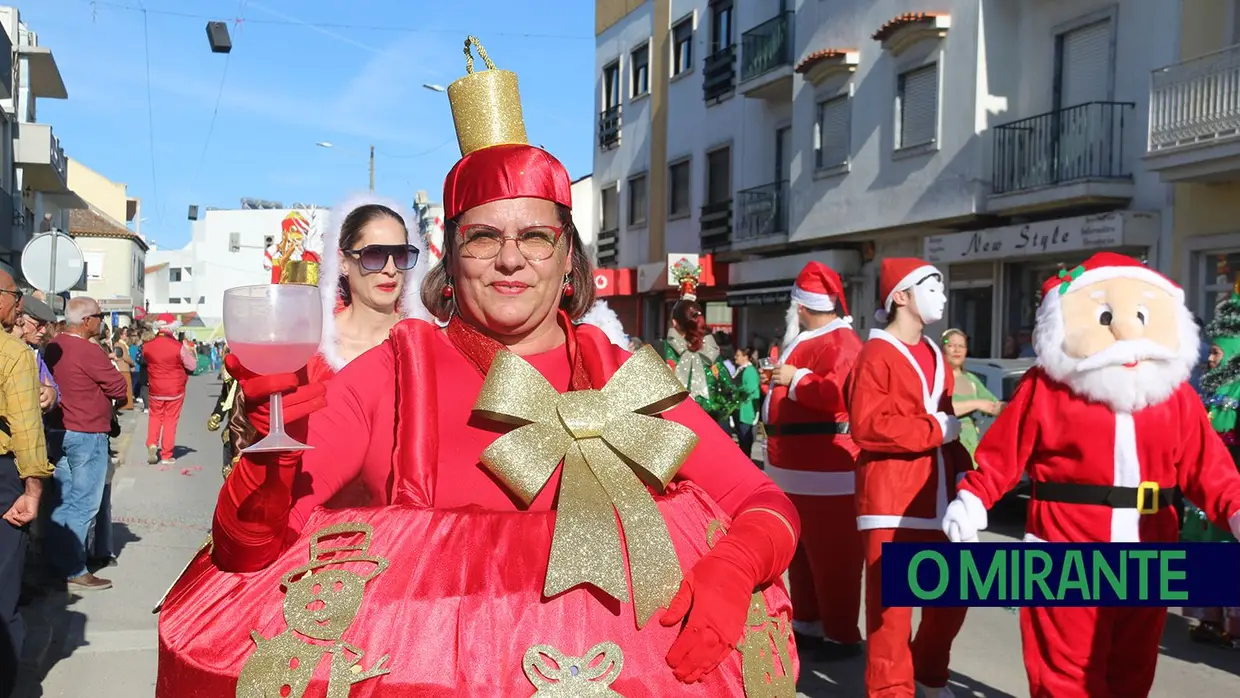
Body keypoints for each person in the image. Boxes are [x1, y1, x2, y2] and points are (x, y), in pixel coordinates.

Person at [158, 38, 799, 696]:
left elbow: (763, 502)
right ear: (453, 257)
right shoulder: (392, 376)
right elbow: (254, 551)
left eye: (534, 237)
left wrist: (734, 564)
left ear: (568, 258)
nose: (510, 259)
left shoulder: (624, 376)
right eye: (485, 236)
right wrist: (271, 453)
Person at [942, 252, 1240, 697]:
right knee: (1064, 677)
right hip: (1065, 546)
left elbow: (1209, 468)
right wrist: (973, 497)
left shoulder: (1174, 397)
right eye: (1106, 316)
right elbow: (1004, 452)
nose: (1123, 330)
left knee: (1132, 673)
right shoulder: (1048, 388)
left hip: (1149, 550)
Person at [847, 257, 971, 698]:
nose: (941, 295)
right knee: (891, 613)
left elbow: (949, 423)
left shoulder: (936, 353)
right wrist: (934, 429)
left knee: (954, 599)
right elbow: (868, 425)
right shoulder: (874, 354)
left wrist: (969, 482)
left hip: (937, 499)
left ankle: (928, 673)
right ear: (901, 295)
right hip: (890, 502)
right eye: (930, 286)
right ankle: (890, 691)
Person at [764, 261, 864, 659]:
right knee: (802, 555)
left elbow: (837, 395)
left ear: (800, 306)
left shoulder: (841, 342)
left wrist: (795, 379)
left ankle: (841, 634)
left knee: (834, 557)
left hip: (828, 470)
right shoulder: (811, 338)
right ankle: (808, 624)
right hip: (795, 470)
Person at [43, 296, 127, 591]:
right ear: (88, 320)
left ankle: (56, 563)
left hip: (59, 431)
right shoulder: (87, 351)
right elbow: (118, 386)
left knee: (63, 501)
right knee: (83, 503)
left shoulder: (53, 347)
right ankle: (75, 568)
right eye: (100, 316)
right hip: (87, 433)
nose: (102, 321)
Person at [0, 271, 51, 696]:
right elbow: (26, 429)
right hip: (1, 478)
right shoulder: (12, 354)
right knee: (2, 590)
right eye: (15, 297)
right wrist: (32, 492)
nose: (20, 306)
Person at [1182, 293, 1240, 647]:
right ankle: (1207, 619)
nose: (1210, 358)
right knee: (1203, 551)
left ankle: (1231, 625)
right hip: (1200, 493)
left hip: (1228, 486)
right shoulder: (1207, 388)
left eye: (1217, 353)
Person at [664, 280, 736, 424]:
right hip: (708, 426)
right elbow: (730, 392)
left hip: (673, 428)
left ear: (674, 323)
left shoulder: (662, 351)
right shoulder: (711, 353)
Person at [941, 329, 1001, 465]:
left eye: (961, 346)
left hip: (971, 449)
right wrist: (976, 404)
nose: (957, 350)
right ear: (943, 349)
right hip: (948, 448)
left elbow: (994, 406)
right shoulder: (939, 378)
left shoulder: (971, 379)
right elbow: (942, 410)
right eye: (951, 345)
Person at [143, 321, 195, 465]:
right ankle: (166, 454)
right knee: (170, 420)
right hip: (175, 389)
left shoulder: (148, 346)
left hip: (155, 388)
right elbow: (192, 365)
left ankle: (152, 443)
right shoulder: (177, 347)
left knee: (155, 417)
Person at [732, 346, 760, 462]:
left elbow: (751, 387)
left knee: (745, 436)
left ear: (745, 357)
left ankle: (746, 460)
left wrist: (736, 390)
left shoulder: (750, 370)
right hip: (740, 407)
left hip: (746, 408)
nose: (735, 357)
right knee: (741, 435)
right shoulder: (740, 369)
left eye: (738, 355)